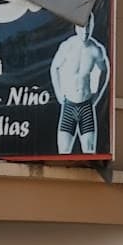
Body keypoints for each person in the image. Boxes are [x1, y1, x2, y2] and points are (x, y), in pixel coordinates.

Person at [51, 16, 110, 155]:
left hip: (86, 105)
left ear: (92, 27)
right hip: (69, 105)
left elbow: (105, 70)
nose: (85, 32)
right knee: (64, 151)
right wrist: (59, 94)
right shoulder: (67, 46)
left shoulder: (96, 50)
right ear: (77, 27)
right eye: (83, 28)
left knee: (89, 152)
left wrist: (97, 95)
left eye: (89, 28)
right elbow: (54, 68)